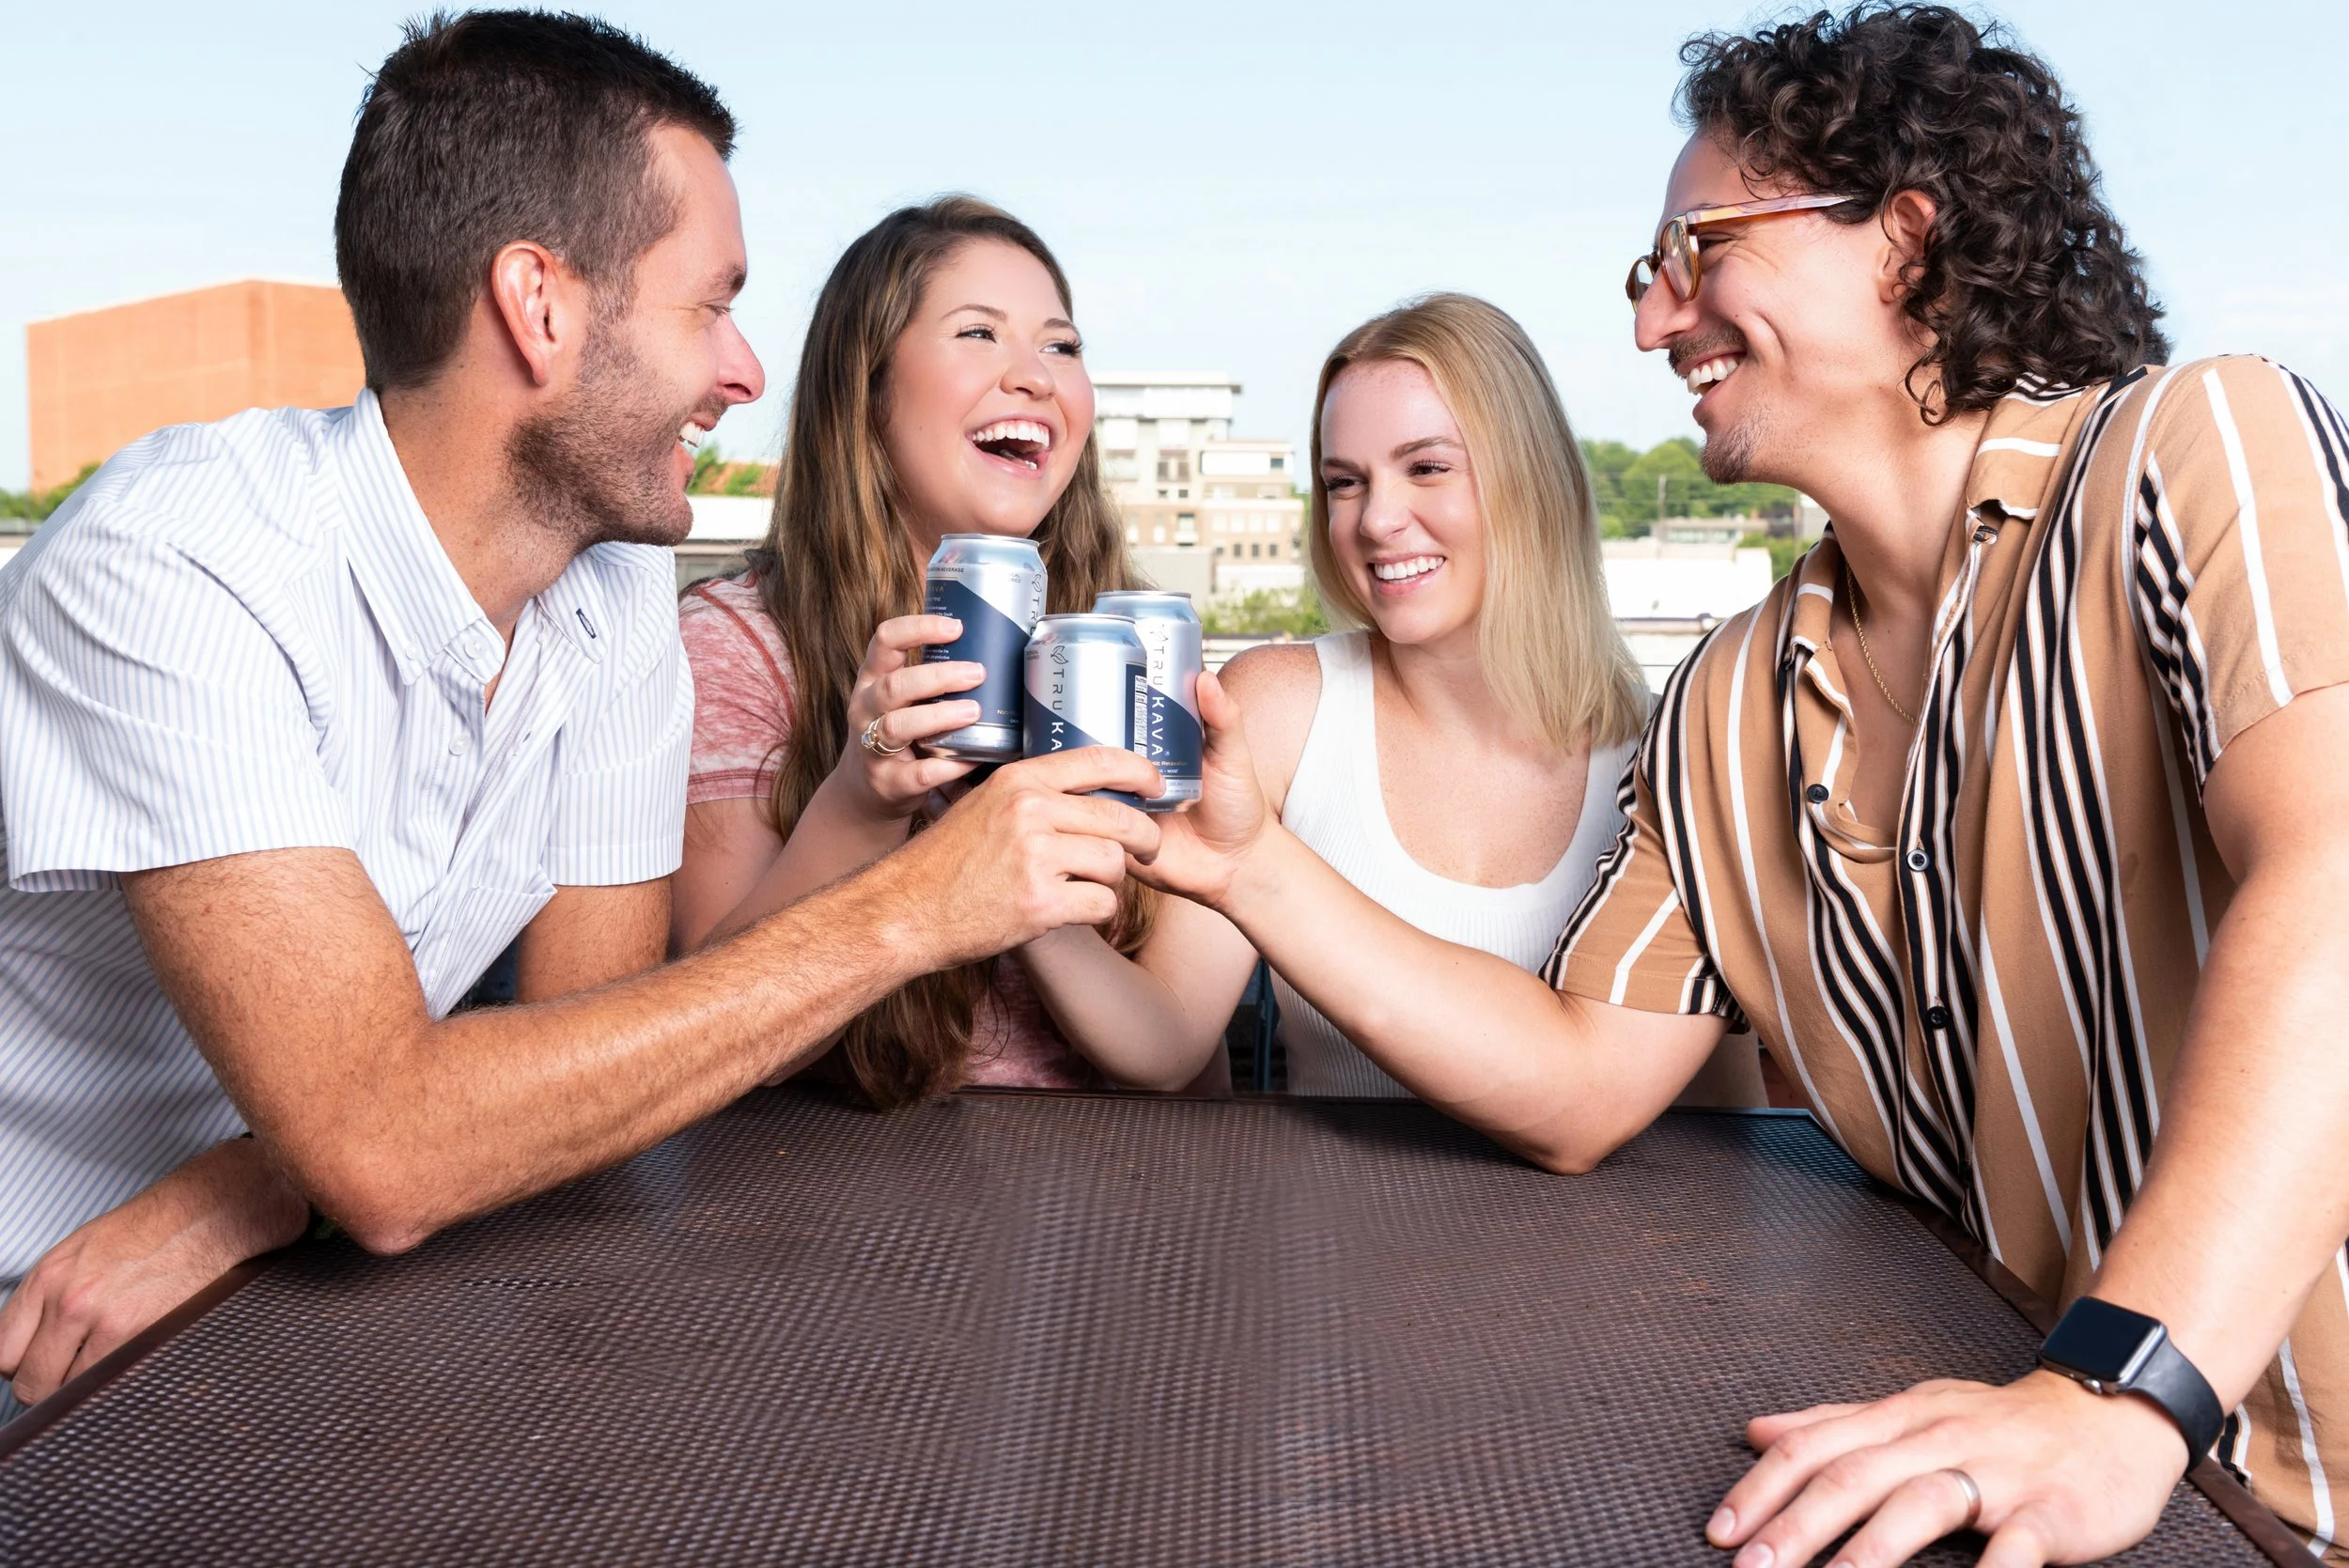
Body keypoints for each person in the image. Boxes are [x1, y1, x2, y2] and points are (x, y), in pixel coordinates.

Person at [1136, 6, 2349, 1562]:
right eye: (1650, 275)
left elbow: (2333, 873)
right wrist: (1247, 865)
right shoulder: (1724, 705)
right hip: (2085, 1496)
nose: (1656, 323)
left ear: (1905, 241)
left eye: (1699, 250)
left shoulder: (2203, 449)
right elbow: (1577, 1084)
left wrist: (2115, 1388)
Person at [0, 13, 1160, 1415]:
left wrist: (261, 1184)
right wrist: (920, 903)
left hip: (332, 1245)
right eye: (708, 306)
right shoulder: (180, 567)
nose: (743, 371)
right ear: (538, 307)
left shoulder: (606, 594)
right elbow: (391, 1143)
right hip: (50, 1292)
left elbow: (596, 1063)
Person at [1125, 292, 1762, 1101]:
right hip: (1320, 1230)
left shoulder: (1669, 750)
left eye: (1426, 467)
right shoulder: (1278, 710)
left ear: (1531, 477)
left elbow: (1725, 1119)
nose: (1377, 519)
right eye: (1344, 482)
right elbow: (1161, 1041)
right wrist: (989, 825)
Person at [671, 196, 1222, 1103]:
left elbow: (1184, 1052)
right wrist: (863, 797)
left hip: (1116, 1206)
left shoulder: (1132, 648)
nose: (1036, 377)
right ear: (870, 385)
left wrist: (1009, 853)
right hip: (837, 1202)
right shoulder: (739, 646)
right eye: (978, 334)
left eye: (1061, 345)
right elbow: (700, 1041)